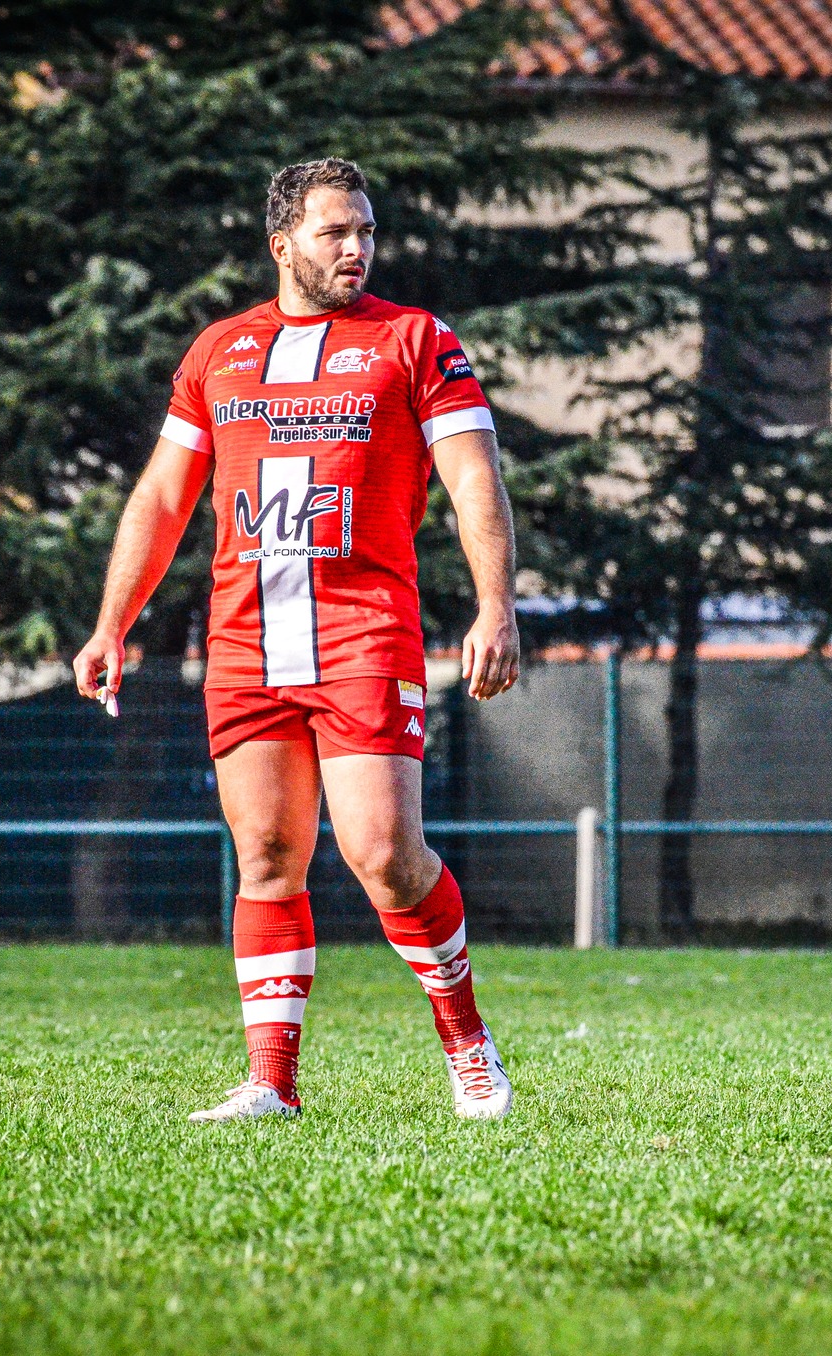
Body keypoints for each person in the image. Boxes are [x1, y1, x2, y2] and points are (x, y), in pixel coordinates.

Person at [71, 157, 521, 1122]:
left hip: (365, 634)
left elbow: (473, 478)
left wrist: (496, 607)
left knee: (385, 855)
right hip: (243, 641)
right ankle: (271, 1084)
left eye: (365, 232)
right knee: (268, 855)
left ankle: (469, 1048)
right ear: (283, 245)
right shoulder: (220, 352)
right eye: (334, 233)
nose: (356, 249)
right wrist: (113, 622)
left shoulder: (416, 341)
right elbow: (160, 495)